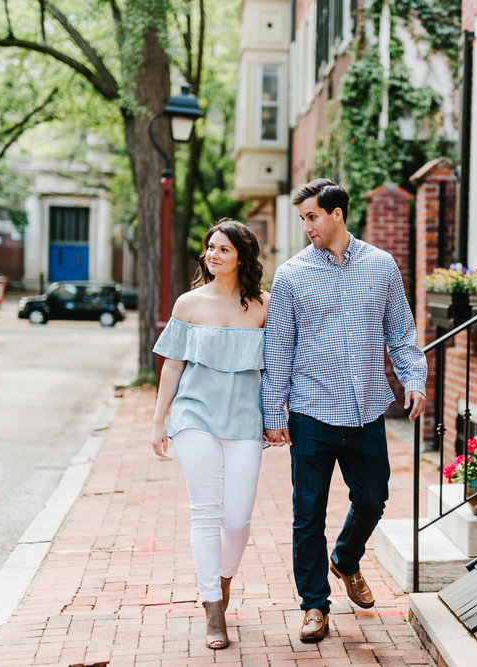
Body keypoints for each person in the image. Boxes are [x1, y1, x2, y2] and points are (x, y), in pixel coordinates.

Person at [262, 178, 427, 643]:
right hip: (311, 412)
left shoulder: (381, 266)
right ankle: (314, 605)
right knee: (307, 514)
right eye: (303, 219)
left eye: (312, 217)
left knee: (374, 499)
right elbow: (278, 349)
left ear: (337, 214)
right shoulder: (292, 274)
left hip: (366, 410)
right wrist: (274, 413)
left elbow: (400, 332)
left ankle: (346, 560)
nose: (307, 227)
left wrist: (414, 381)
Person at [150, 219, 269, 651]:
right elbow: (173, 366)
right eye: (210, 248)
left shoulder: (262, 307)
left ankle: (221, 579)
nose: (212, 255)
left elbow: (274, 372)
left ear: (242, 257)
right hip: (194, 418)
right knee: (206, 511)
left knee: (237, 519)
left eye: (223, 249)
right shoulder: (188, 304)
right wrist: (159, 421)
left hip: (244, 424)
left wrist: (277, 417)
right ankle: (212, 606)